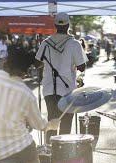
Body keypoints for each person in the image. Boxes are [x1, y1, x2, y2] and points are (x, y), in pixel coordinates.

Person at [35, 12, 87, 142]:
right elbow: (82, 67)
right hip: (67, 90)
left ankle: (49, 152)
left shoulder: (45, 43)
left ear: (55, 25)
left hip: (49, 89)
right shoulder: (74, 44)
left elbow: (37, 63)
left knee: (52, 122)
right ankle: (62, 155)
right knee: (65, 123)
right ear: (68, 25)